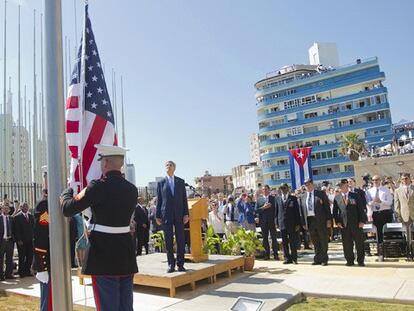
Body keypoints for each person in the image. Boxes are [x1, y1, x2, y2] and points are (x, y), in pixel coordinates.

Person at [61, 144, 138, 311]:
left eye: (101, 161)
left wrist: (67, 192)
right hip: (125, 254)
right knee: (126, 307)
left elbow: (68, 208)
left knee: (107, 306)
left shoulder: (98, 186)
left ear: (106, 163)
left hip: (103, 255)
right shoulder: (132, 190)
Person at [156, 160, 189, 273]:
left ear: (174, 168)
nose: (168, 167)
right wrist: (158, 215)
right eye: (166, 165)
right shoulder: (161, 183)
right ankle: (171, 264)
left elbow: (184, 199)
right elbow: (159, 200)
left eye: (170, 165)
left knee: (180, 239)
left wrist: (186, 214)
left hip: (179, 214)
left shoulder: (180, 181)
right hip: (166, 215)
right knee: (168, 240)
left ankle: (180, 264)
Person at [333, 179, 366, 266]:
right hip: (344, 224)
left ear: (347, 185)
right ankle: (349, 260)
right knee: (347, 244)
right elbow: (335, 212)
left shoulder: (355, 195)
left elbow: (361, 209)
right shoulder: (337, 197)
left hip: (356, 223)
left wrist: (362, 221)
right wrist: (337, 222)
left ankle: (360, 260)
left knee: (359, 243)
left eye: (343, 185)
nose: (341, 187)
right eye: (340, 186)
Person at [299, 178, 332, 266]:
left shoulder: (320, 194)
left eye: (309, 184)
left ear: (312, 184)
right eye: (305, 185)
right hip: (310, 221)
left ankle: (324, 259)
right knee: (315, 240)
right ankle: (317, 258)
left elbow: (327, 208)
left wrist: (329, 220)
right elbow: (302, 211)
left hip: (321, 220)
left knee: (323, 239)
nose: (307, 186)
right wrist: (303, 223)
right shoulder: (303, 196)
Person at [32, 188, 51, 310]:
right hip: (47, 260)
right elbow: (41, 235)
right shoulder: (45, 206)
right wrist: (41, 266)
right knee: (48, 298)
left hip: (55, 258)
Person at [366, 175, 393, 261]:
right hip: (375, 214)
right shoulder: (369, 191)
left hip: (385, 213)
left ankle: (388, 252)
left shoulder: (386, 189)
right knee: (378, 234)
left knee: (386, 233)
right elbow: (368, 203)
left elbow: (389, 202)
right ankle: (380, 253)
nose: (375, 181)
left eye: (377, 180)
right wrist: (373, 202)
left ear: (380, 180)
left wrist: (381, 201)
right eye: (373, 180)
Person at [275, 184, 301, 264]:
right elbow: (276, 212)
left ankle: (294, 258)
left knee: (292, 241)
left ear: (288, 189)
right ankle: (286, 258)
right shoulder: (277, 199)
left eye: (284, 188)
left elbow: (297, 212)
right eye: (281, 188)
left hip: (292, 224)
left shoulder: (293, 198)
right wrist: (276, 223)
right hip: (282, 223)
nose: (283, 190)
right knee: (284, 242)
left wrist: (298, 224)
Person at [255, 185, 279, 260]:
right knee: (265, 239)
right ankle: (267, 254)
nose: (264, 191)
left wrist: (276, 221)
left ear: (269, 190)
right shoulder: (259, 200)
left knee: (274, 238)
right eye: (263, 189)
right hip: (263, 222)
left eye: (266, 189)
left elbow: (276, 210)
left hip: (272, 221)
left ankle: (275, 254)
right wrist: (264, 207)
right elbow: (256, 210)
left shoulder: (274, 198)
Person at [394, 173, 414, 260]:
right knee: (408, 236)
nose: (405, 180)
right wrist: (398, 216)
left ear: (410, 179)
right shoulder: (397, 191)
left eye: (406, 178)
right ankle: (409, 253)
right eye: (403, 179)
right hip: (404, 216)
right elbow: (396, 205)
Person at [13, 202, 34, 277]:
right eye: (24, 206)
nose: (26, 208)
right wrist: (18, 240)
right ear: (21, 208)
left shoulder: (31, 216)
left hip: (30, 240)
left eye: (27, 206)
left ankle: (27, 271)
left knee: (30, 256)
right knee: (22, 257)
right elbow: (16, 230)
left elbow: (32, 228)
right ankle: (21, 272)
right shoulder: (17, 217)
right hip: (21, 241)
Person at [0, 202, 15, 280]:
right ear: (2, 209)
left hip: (9, 241)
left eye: (7, 208)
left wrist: (13, 239)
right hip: (1, 241)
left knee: (9, 258)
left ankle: (8, 274)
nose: (5, 210)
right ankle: (1, 275)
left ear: (9, 210)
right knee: (1, 259)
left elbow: (14, 230)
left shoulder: (11, 218)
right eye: (4, 208)